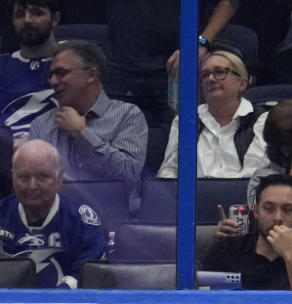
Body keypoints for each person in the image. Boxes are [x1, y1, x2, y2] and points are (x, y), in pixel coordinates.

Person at [28, 40, 148, 196]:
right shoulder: (42, 124)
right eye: (51, 75)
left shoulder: (128, 115)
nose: (53, 82)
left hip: (111, 214)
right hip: (60, 214)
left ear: (91, 75)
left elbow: (128, 177)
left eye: (61, 73)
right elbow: (34, 184)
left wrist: (82, 134)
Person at [105, 0, 239, 129]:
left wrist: (201, 42)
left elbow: (229, 2)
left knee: (176, 142)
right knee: (107, 136)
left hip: (175, 69)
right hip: (120, 64)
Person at [0, 139, 106, 288]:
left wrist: (53, 299)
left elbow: (89, 277)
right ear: (13, 178)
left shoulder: (83, 222)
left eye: (42, 177)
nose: (32, 186)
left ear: (60, 178)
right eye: (24, 177)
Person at [156, 51, 268, 180]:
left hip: (243, 198)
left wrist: (210, 187)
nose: (210, 79)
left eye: (219, 72)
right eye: (204, 75)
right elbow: (169, 170)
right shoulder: (186, 120)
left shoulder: (262, 120)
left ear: (242, 83)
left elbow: (257, 173)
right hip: (195, 198)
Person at [201, 173, 292, 290]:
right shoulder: (225, 251)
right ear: (255, 212)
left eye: (288, 209)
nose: (278, 217)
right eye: (269, 208)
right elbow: (205, 301)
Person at [1, 1, 60, 146]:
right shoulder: (2, 65)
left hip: (56, 153)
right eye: (20, 15)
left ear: (55, 19)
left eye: (37, 13)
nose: (27, 20)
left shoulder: (74, 64)